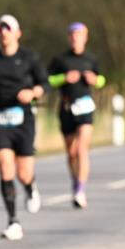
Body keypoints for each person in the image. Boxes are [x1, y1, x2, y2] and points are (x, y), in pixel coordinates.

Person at [0, 14, 47, 240]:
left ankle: (30, 187)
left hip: (24, 118)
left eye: (8, 28)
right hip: (1, 120)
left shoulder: (29, 58)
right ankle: (13, 221)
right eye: (0, 28)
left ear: (18, 33)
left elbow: (44, 84)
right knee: (5, 165)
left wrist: (33, 93)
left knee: (24, 172)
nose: (4, 32)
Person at [47, 22, 105, 208]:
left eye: (79, 35)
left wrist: (94, 80)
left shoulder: (91, 60)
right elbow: (46, 81)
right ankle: (75, 181)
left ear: (85, 38)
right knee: (71, 153)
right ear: (69, 37)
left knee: (82, 149)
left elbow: (102, 80)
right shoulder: (60, 60)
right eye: (73, 35)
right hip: (66, 108)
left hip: (85, 107)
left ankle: (81, 190)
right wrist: (63, 78)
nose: (75, 38)